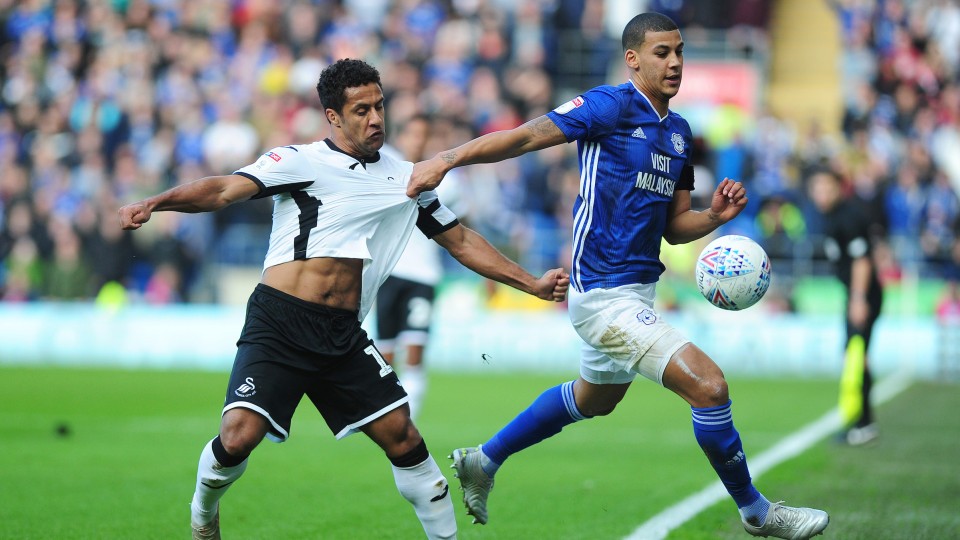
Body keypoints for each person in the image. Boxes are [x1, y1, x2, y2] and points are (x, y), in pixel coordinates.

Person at [407, 12, 829, 540]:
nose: (674, 62)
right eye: (661, 53)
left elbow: (675, 227)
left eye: (679, 52)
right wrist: (447, 159)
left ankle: (483, 461)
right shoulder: (608, 105)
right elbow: (522, 139)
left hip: (638, 289)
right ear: (633, 58)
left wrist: (716, 217)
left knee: (594, 399)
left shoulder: (679, 133)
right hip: (602, 294)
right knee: (710, 386)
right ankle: (757, 512)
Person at [118, 58, 569, 540]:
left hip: (342, 333)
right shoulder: (298, 161)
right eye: (361, 110)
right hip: (280, 323)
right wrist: (156, 201)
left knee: (404, 436)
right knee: (238, 437)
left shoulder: (406, 178)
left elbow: (459, 240)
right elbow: (224, 189)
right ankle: (203, 514)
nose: (376, 119)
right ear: (333, 117)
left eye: (379, 106)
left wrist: (532, 284)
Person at [376, 114, 465, 421]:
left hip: (423, 276)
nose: (417, 140)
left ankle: (407, 421)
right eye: (411, 134)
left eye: (422, 135)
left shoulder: (446, 179)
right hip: (387, 272)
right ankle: (387, 416)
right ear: (400, 137)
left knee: (414, 351)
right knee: (385, 354)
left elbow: (461, 226)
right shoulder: (383, 166)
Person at [808, 168, 883, 446]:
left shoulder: (849, 216)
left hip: (863, 295)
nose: (822, 194)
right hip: (854, 294)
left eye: (827, 188)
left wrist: (858, 299)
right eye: (817, 188)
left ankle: (862, 423)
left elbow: (863, 260)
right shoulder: (830, 217)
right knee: (856, 354)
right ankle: (864, 421)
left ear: (839, 188)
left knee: (856, 356)